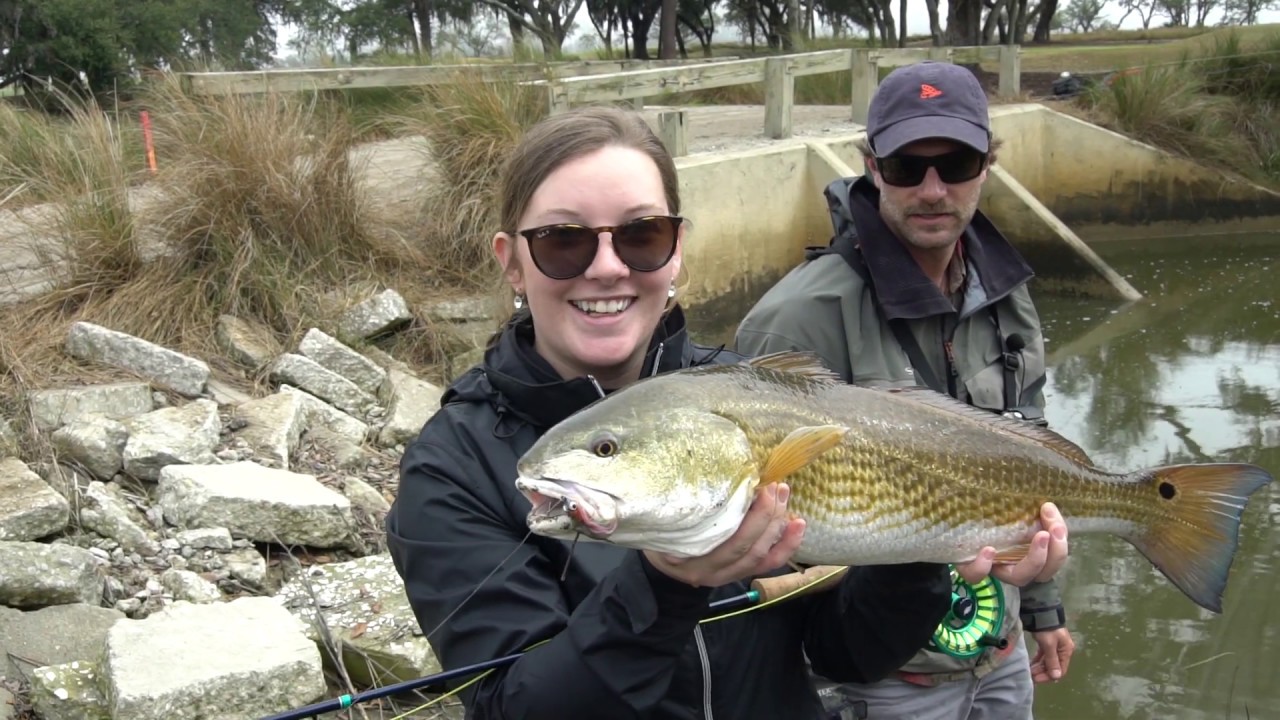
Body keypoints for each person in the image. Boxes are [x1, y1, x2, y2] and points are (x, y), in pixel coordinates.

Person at [386, 104, 1070, 720]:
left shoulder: (744, 388)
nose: (606, 267)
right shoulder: (452, 470)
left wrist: (916, 554)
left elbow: (843, 657)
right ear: (512, 262)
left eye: (640, 236)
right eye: (563, 241)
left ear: (676, 248)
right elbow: (514, 709)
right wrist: (666, 587)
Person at [734, 61, 1077, 719]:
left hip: (1001, 659)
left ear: (987, 164)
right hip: (882, 680)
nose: (932, 189)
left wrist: (1042, 606)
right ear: (870, 165)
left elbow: (1031, 460)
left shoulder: (1010, 297)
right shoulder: (795, 319)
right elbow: (761, 525)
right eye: (904, 168)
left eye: (956, 163)